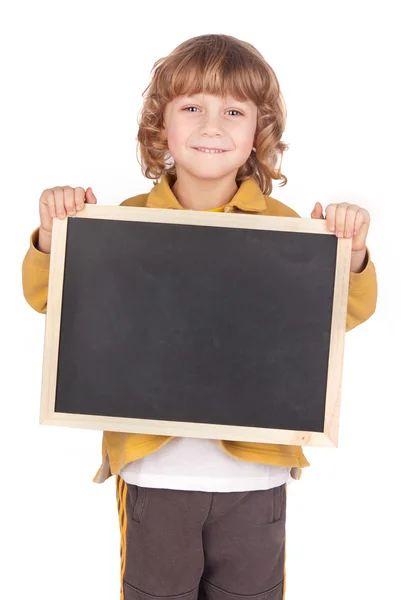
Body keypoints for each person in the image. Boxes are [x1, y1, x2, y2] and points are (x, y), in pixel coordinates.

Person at [22, 33, 377, 600]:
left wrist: (349, 254)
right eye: (192, 107)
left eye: (233, 111)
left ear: (257, 135)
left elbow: (342, 316)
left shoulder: (292, 231)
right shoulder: (115, 224)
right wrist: (52, 233)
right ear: (161, 127)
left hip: (257, 477)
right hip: (153, 475)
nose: (212, 126)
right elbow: (50, 300)